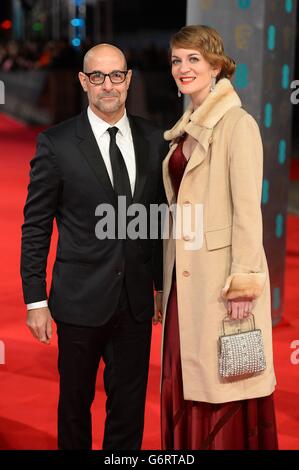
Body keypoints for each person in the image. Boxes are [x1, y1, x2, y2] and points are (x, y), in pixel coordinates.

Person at [21, 43, 166, 450]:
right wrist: (35, 299)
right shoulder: (57, 143)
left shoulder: (156, 140)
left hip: (135, 302)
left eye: (116, 75)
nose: (108, 85)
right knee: (74, 404)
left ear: (129, 79)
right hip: (79, 299)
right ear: (84, 82)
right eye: (98, 77)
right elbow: (35, 227)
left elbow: (157, 221)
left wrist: (157, 285)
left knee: (129, 405)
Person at [160, 25, 278, 450]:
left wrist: (243, 282)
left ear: (215, 66)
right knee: (189, 374)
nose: (183, 68)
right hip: (185, 281)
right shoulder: (186, 127)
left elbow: (249, 212)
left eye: (194, 59)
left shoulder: (236, 124)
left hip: (218, 282)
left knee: (221, 381)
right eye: (177, 60)